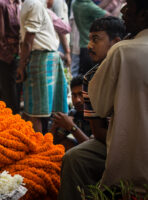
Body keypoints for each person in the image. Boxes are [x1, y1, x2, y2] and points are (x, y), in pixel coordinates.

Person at [58, 16, 126, 200]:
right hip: (111, 142)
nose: (89, 45)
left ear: (116, 43)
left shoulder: (131, 68)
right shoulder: (91, 78)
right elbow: (98, 131)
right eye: (89, 39)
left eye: (96, 39)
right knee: (73, 157)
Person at [89, 0, 148, 189]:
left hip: (131, 168)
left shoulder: (123, 51)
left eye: (130, 5)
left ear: (144, 14)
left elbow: (99, 105)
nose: (123, 11)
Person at [17, 0, 68, 133]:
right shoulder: (34, 4)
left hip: (45, 58)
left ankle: (43, 144)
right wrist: (21, 66)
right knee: (37, 113)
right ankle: (38, 147)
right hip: (41, 59)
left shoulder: (34, 5)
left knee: (39, 111)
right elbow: (28, 39)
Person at [0, 0, 21, 114]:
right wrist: (9, 58)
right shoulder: (0, 5)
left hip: (17, 58)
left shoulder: (17, 4)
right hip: (7, 60)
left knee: (10, 99)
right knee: (11, 102)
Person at [51, 75, 91, 150]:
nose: (77, 100)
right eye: (74, 95)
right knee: (65, 144)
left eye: (81, 94)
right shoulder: (73, 114)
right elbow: (54, 142)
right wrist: (55, 127)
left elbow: (92, 149)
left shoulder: (98, 116)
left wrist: (71, 126)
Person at [72, 0, 108, 75]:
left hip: (83, 46)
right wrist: (119, 5)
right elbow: (110, 18)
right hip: (92, 48)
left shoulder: (76, 4)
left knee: (85, 77)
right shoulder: (88, 6)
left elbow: (96, 9)